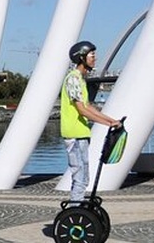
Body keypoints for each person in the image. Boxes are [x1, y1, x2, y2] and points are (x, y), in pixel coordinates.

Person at [60, 41, 121, 203]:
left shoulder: (79, 79)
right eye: (92, 55)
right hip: (74, 135)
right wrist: (108, 124)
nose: (95, 58)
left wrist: (111, 120)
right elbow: (82, 110)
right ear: (81, 57)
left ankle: (77, 209)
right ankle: (74, 213)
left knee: (84, 177)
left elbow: (88, 106)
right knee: (80, 177)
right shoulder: (73, 79)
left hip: (80, 135)